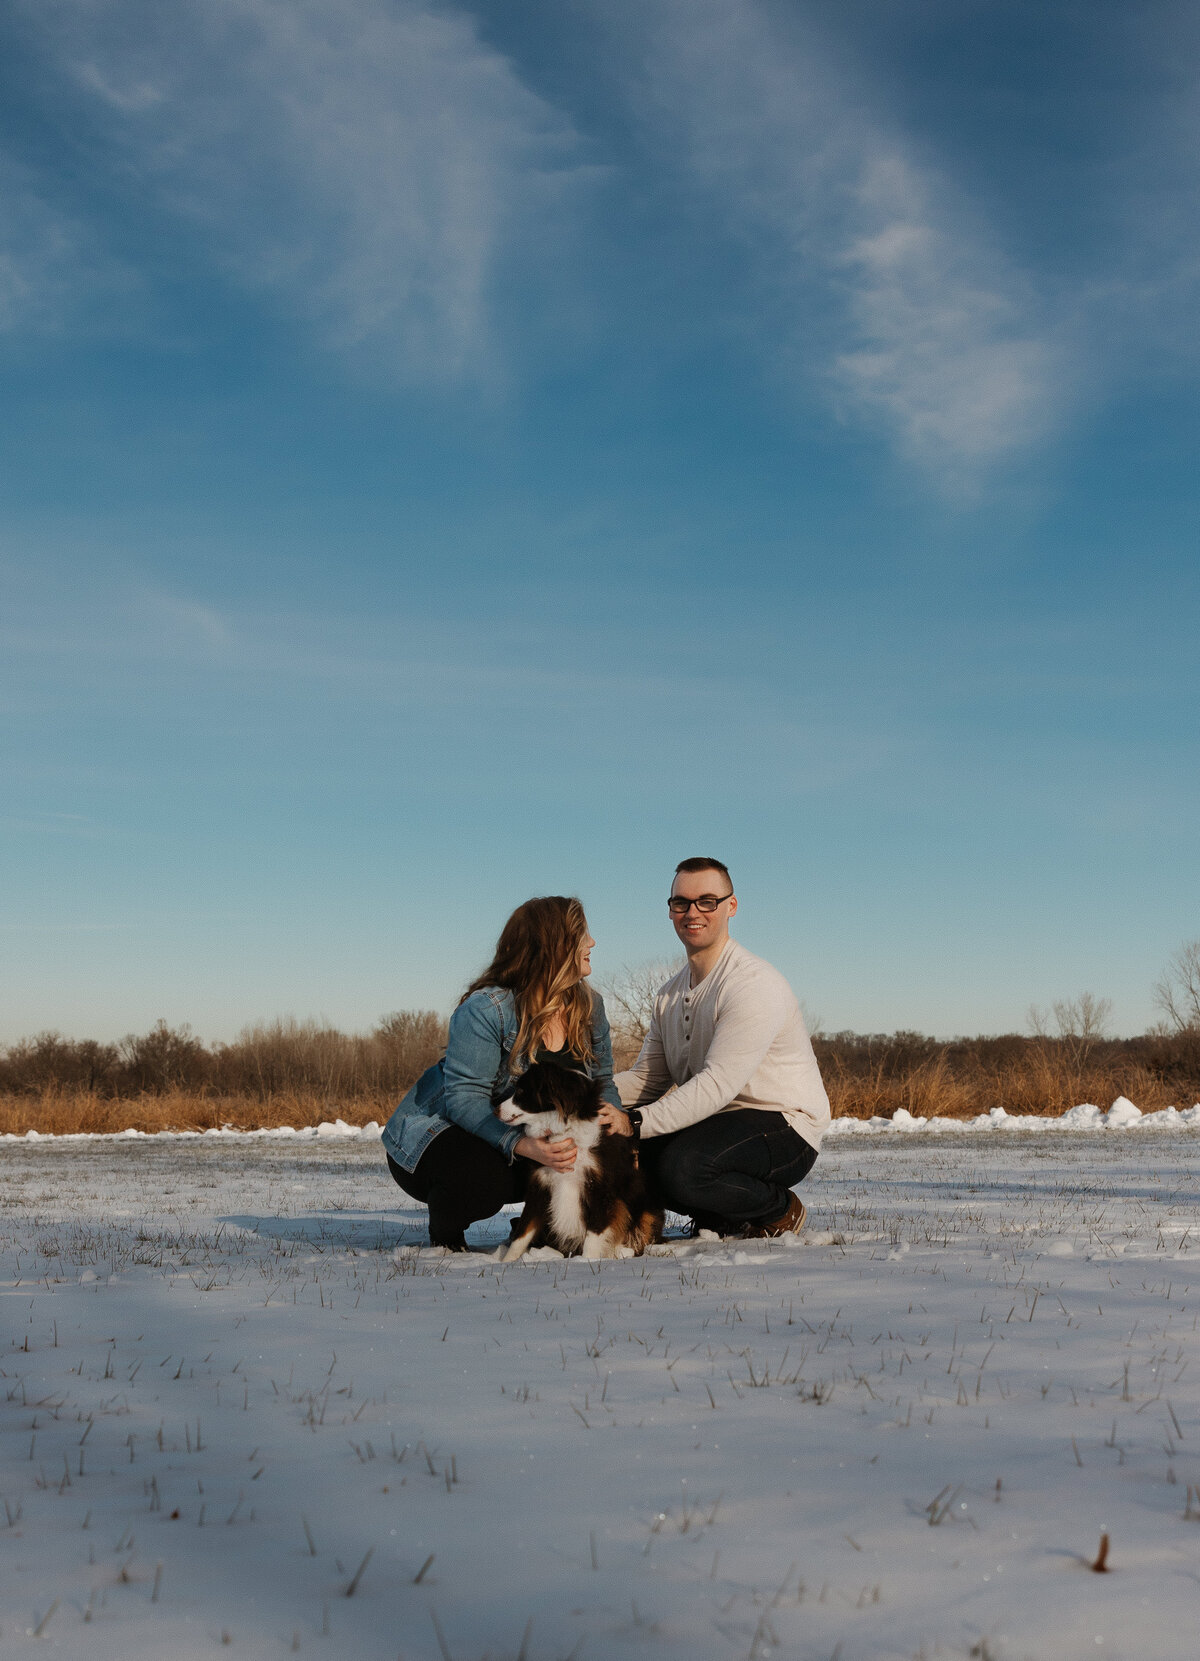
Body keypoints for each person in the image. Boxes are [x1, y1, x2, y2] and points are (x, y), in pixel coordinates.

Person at [599, 858, 828, 1238]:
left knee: (683, 1167)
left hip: (784, 1126)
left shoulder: (751, 983)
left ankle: (778, 1209)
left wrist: (635, 1122)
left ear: (731, 906)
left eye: (707, 901)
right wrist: (589, 1096)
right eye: (681, 903)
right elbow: (649, 1078)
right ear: (670, 909)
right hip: (717, 1123)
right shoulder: (668, 995)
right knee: (626, 1157)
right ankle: (724, 1214)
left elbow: (717, 1083)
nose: (693, 913)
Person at [381, 896, 621, 1250]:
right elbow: (464, 1101)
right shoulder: (488, 1009)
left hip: (525, 1138)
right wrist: (524, 1146)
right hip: (440, 1138)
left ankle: (545, 1227)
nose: (592, 942)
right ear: (552, 945)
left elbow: (603, 1080)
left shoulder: (589, 1005)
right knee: (484, 1180)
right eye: (581, 934)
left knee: (606, 1161)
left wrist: (618, 1126)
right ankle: (446, 1230)